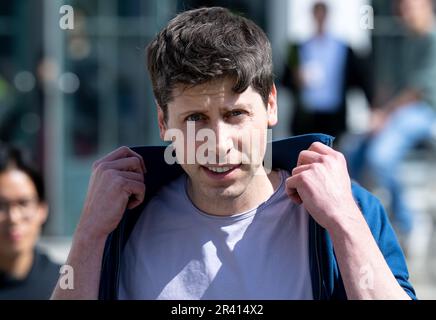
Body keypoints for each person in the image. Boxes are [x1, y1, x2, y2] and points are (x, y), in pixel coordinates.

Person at [52, 7, 415, 300]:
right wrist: (89, 233)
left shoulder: (348, 209)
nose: (219, 142)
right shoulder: (121, 219)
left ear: (271, 105)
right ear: (164, 122)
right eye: (195, 119)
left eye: (235, 114)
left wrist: (345, 224)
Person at [347, 0, 436, 240]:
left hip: (424, 112)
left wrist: (385, 115)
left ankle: (407, 224)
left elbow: (417, 91)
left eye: (410, 7)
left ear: (427, 6)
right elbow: (388, 86)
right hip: (397, 112)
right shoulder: (403, 41)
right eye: (402, 8)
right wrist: (377, 113)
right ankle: (356, 218)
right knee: (351, 152)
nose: (404, 13)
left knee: (380, 157)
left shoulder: (431, 39)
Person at [282, 1, 371, 140]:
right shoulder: (299, 47)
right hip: (307, 116)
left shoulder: (343, 48)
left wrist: (372, 107)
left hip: (334, 116)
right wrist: (296, 78)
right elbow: (284, 80)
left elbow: (361, 79)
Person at [0, 145, 60, 299]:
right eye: (1, 205)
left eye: (24, 203)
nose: (13, 217)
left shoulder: (65, 282)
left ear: (42, 209)